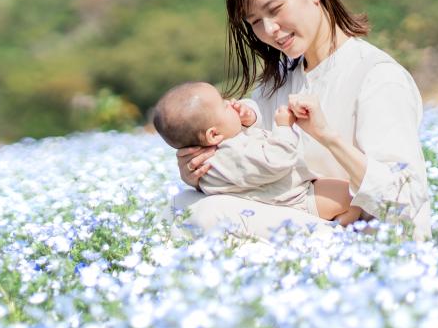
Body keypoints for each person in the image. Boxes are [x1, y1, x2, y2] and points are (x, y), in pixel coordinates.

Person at [169, 0, 434, 242]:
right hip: (308, 223)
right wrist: (203, 173)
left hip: (366, 237)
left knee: (207, 216)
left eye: (275, 9)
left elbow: (406, 199)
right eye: (255, 21)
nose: (269, 30)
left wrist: (328, 137)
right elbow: (255, 170)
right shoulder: (277, 82)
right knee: (182, 204)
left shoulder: (377, 76)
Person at [150, 80, 363, 224]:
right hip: (295, 201)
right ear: (214, 135)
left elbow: (246, 139)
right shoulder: (230, 155)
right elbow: (277, 160)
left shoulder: (217, 154)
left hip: (284, 197)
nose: (233, 104)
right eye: (225, 106)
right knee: (355, 197)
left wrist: (249, 116)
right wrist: (283, 127)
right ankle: (332, 232)